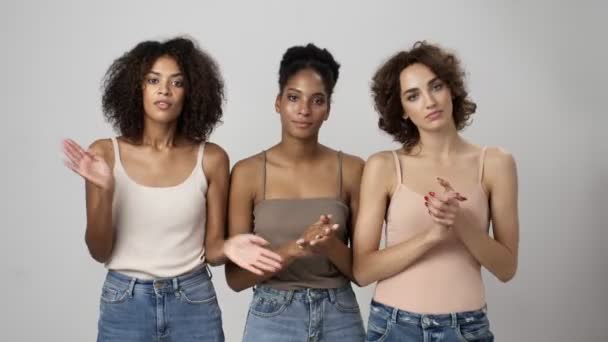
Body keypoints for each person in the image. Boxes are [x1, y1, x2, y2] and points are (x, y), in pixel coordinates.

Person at [61, 37, 281, 342]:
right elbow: (99, 250)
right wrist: (107, 189)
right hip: (125, 302)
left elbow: (213, 250)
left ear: (191, 92)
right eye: (153, 80)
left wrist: (229, 247)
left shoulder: (212, 158)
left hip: (193, 301)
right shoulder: (105, 154)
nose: (164, 90)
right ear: (137, 88)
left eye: (176, 82)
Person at [353, 41, 519, 342]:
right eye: (413, 96)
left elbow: (506, 268)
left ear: (451, 89)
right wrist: (432, 236)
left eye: (436, 86)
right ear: (402, 111)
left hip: (467, 329)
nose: (429, 101)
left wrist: (461, 222)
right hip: (394, 327)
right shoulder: (384, 167)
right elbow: (363, 271)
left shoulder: (495, 163)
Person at [225, 43, 366, 342]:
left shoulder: (353, 170)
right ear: (278, 102)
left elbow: (362, 272)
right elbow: (235, 279)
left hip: (338, 314)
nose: (304, 110)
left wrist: (329, 246)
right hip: (273, 317)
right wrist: (292, 250)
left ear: (328, 109)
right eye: (293, 98)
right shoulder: (247, 173)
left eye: (317, 100)